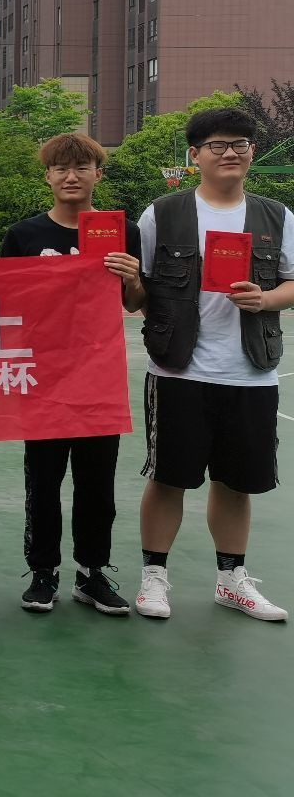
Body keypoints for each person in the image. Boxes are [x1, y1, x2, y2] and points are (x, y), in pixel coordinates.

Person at [128, 107, 290, 622]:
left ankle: (231, 579)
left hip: (251, 370)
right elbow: (140, 291)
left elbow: (291, 282)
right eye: (217, 145)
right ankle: (154, 576)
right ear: (194, 155)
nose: (230, 153)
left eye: (240, 143)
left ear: (252, 152)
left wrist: (265, 300)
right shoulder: (162, 213)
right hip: (178, 369)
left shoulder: (277, 216)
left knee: (237, 481)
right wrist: (130, 284)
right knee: (168, 477)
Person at [0, 133, 142, 615]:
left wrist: (132, 277)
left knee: (97, 482)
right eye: (61, 168)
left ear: (98, 174)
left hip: (100, 376)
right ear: (47, 177)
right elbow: (4, 302)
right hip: (43, 378)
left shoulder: (121, 231)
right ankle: (43, 572)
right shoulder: (24, 236)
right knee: (43, 481)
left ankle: (91, 572)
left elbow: (137, 302)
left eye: (81, 167)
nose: (71, 176)